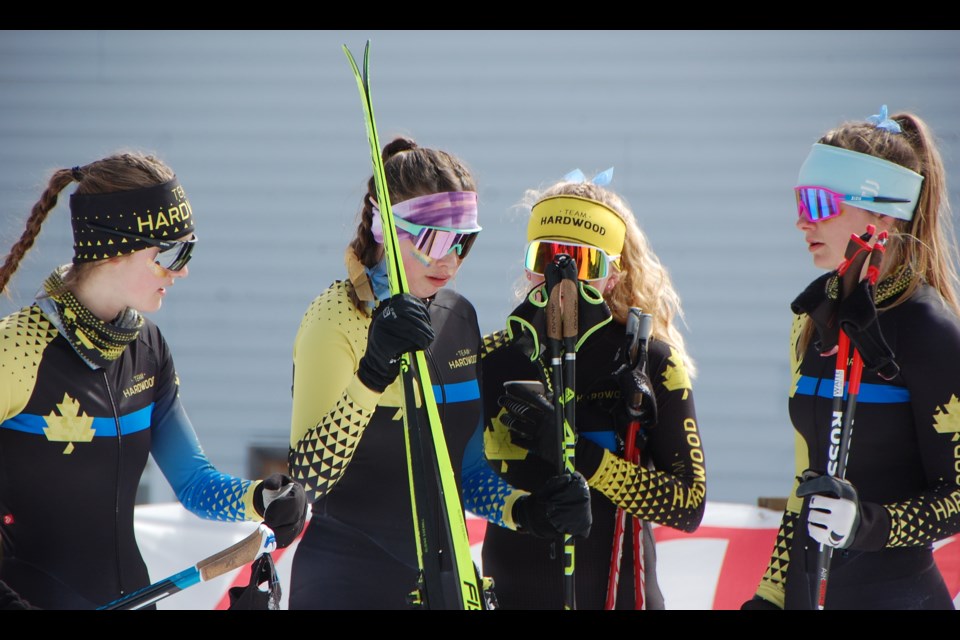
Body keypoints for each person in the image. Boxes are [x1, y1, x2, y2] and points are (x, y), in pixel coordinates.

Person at [287, 137, 588, 610]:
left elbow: (464, 471)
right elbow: (309, 477)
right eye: (434, 239)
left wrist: (526, 510)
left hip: (446, 585)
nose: (450, 260)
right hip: (346, 582)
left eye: (465, 241)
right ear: (384, 225)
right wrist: (372, 374)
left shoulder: (457, 316)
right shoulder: (336, 318)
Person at [0, 152, 307, 610]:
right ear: (115, 247)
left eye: (189, 249)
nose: (182, 270)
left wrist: (262, 498)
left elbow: (196, 486)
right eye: (170, 253)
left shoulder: (147, 347)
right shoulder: (17, 349)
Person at [743, 106, 960, 610]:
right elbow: (805, 487)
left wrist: (868, 524)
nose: (801, 221)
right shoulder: (812, 315)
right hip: (807, 593)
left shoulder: (930, 331)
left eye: (819, 203)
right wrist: (770, 595)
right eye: (800, 202)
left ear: (882, 214)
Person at [462, 170, 706, 609]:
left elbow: (687, 505)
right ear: (526, 264)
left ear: (613, 275)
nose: (563, 280)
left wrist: (580, 455)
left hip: (618, 596)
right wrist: (524, 512)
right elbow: (465, 480)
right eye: (547, 258)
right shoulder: (492, 358)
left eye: (584, 263)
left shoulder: (649, 361)